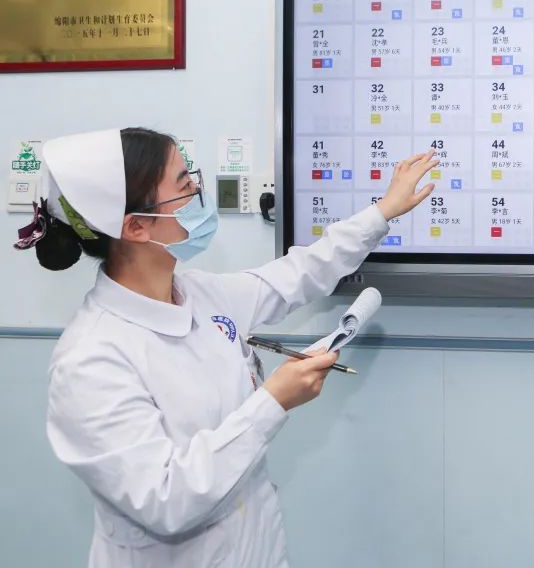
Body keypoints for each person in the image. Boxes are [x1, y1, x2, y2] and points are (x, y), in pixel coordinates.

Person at [13, 127, 436, 567]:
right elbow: (166, 500)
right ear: (136, 226)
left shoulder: (201, 295)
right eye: (183, 185)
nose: (199, 192)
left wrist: (383, 211)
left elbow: (298, 274)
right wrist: (273, 401)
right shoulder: (90, 359)